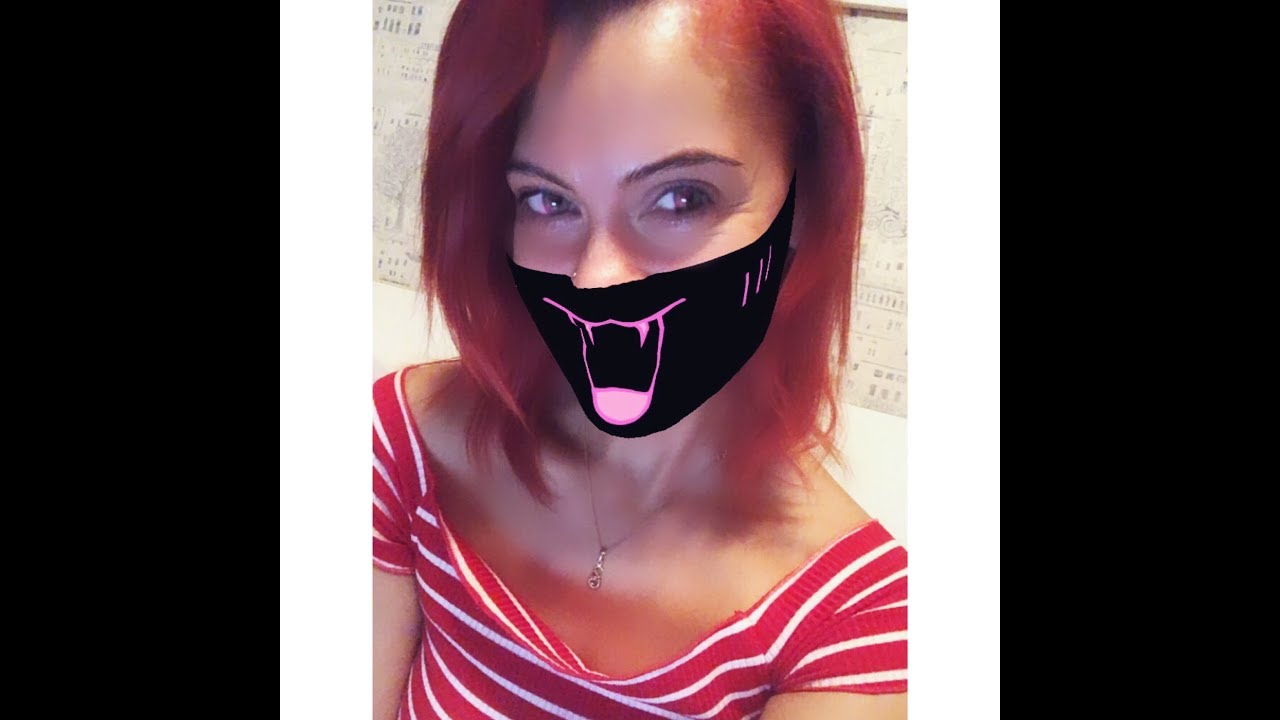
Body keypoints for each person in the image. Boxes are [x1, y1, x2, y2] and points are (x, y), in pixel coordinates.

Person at [373, 1, 908, 717]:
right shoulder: (404, 447)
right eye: (546, 201)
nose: (597, 280)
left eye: (681, 198)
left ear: (804, 202)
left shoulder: (857, 616)